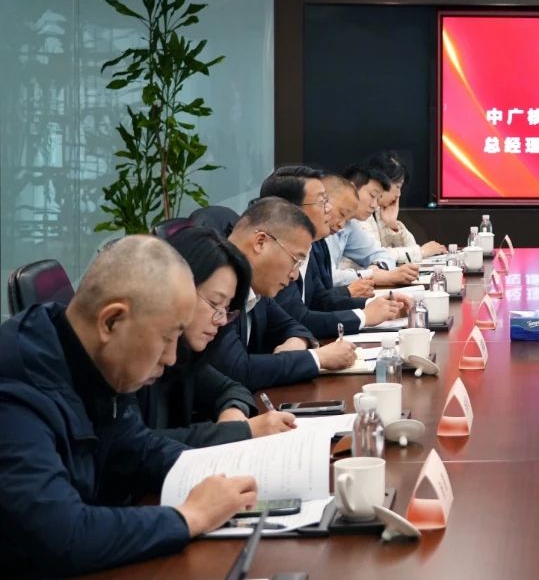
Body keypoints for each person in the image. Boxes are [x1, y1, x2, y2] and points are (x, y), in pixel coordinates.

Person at [0, 235, 258, 577]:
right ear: (111, 321)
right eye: (166, 338)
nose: (171, 357)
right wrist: (191, 516)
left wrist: (224, 474)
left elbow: (139, 448)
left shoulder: (91, 357)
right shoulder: (15, 387)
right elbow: (61, 534)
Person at [132, 226, 297, 446]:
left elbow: (232, 389)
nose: (220, 320)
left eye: (226, 308)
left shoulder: (184, 355)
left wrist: (233, 414)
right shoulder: (131, 360)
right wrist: (241, 431)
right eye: (214, 303)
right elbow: (134, 446)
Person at [206, 198, 357, 391]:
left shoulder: (256, 286)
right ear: (260, 242)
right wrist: (318, 358)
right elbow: (237, 370)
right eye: (295, 260)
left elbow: (293, 325)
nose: (294, 275)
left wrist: (299, 341)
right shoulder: (215, 289)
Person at [261, 167, 406, 338]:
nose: (328, 209)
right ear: (290, 209)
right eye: (321, 202)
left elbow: (320, 300)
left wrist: (375, 304)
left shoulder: (315, 244)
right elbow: (298, 318)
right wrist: (364, 316)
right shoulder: (275, 254)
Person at [330, 164, 418, 288]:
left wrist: (377, 269)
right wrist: (375, 276)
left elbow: (383, 255)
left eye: (378, 199)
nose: (374, 205)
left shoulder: (350, 224)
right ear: (352, 189)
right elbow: (327, 277)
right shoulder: (324, 221)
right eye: (372, 196)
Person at [364, 150, 447, 263]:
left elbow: (410, 247)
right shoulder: (360, 212)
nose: (399, 194)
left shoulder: (379, 210)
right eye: (398, 187)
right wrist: (421, 251)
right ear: (381, 182)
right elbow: (375, 256)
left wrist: (393, 226)